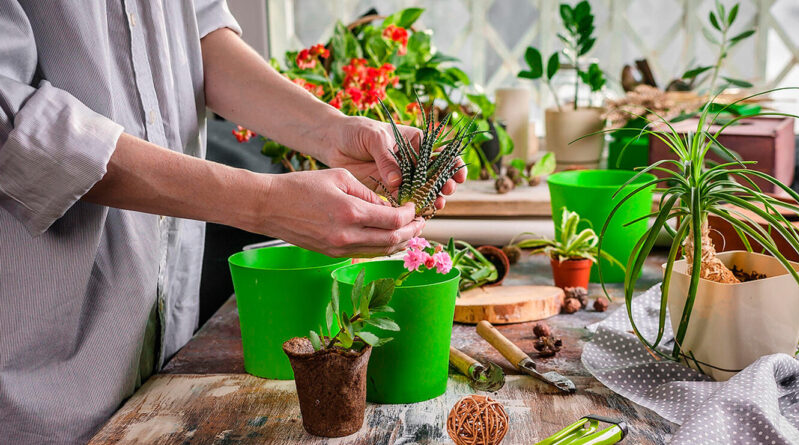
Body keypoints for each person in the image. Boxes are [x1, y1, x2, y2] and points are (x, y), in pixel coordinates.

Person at [0, 1, 465, 443]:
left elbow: (199, 34)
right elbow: (13, 123)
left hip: (165, 350)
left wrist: (331, 132)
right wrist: (264, 203)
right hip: (44, 373)